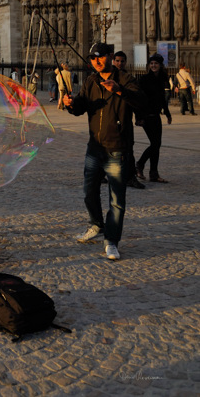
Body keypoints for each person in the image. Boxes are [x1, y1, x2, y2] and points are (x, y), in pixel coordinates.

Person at [63, 43, 146, 261]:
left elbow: (142, 102)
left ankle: (111, 241)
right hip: (94, 147)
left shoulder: (125, 79)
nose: (96, 62)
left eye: (99, 57)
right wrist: (70, 104)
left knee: (116, 200)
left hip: (117, 148)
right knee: (89, 193)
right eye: (92, 58)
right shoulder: (91, 80)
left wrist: (119, 90)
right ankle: (96, 225)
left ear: (110, 56)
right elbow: (81, 106)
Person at [135, 54, 172, 183]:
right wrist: (138, 117)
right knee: (155, 143)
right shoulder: (144, 79)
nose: (153, 65)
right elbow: (138, 99)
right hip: (146, 116)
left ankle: (153, 173)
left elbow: (163, 99)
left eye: (156, 63)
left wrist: (167, 113)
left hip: (156, 115)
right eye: (151, 63)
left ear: (160, 65)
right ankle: (139, 164)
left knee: (157, 144)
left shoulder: (162, 78)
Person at [112, 51, 145, 190]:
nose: (120, 63)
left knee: (128, 148)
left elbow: (135, 99)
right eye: (117, 60)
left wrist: (139, 116)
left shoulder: (128, 78)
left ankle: (130, 177)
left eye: (122, 61)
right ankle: (103, 174)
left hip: (125, 117)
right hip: (110, 119)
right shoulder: (106, 76)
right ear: (113, 61)